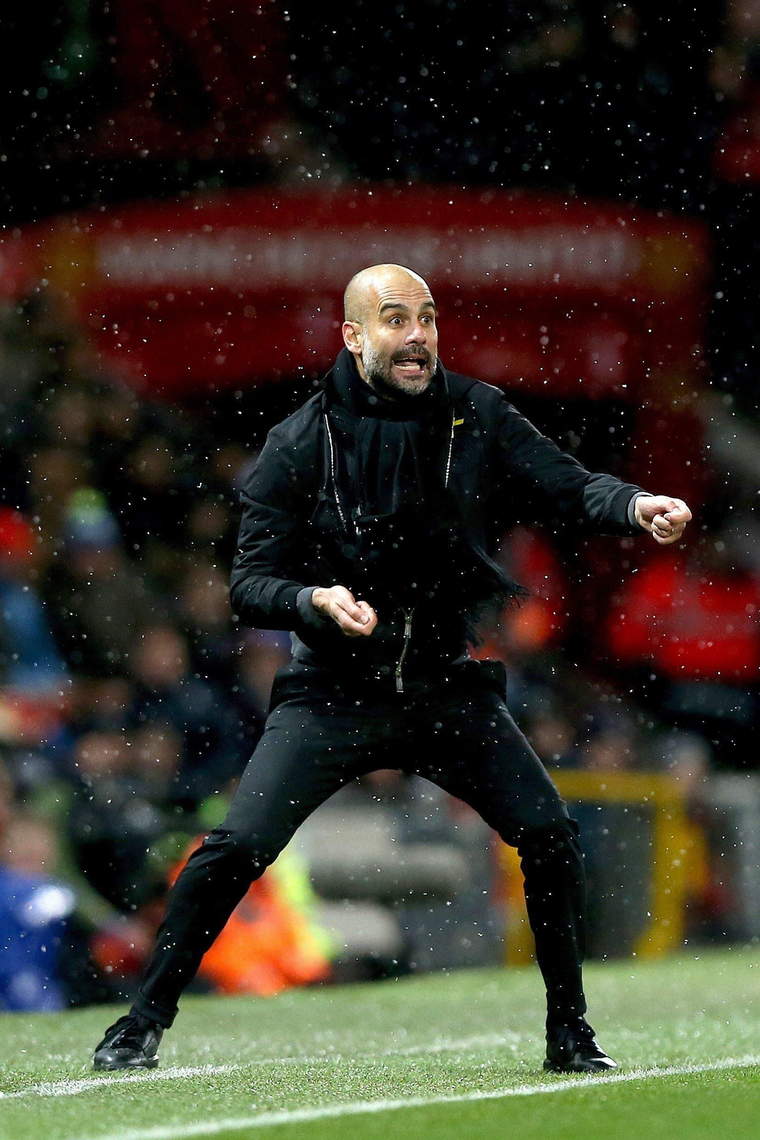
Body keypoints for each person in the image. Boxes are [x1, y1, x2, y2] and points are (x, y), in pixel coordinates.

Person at [92, 264, 692, 1075]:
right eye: (394, 320)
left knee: (549, 835)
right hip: (334, 693)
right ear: (352, 336)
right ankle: (140, 1022)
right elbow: (249, 584)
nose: (417, 337)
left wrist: (633, 504)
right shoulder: (299, 440)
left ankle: (569, 1034)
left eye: (428, 319)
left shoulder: (476, 412)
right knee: (235, 846)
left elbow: (568, 484)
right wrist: (313, 600)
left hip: (445, 685)